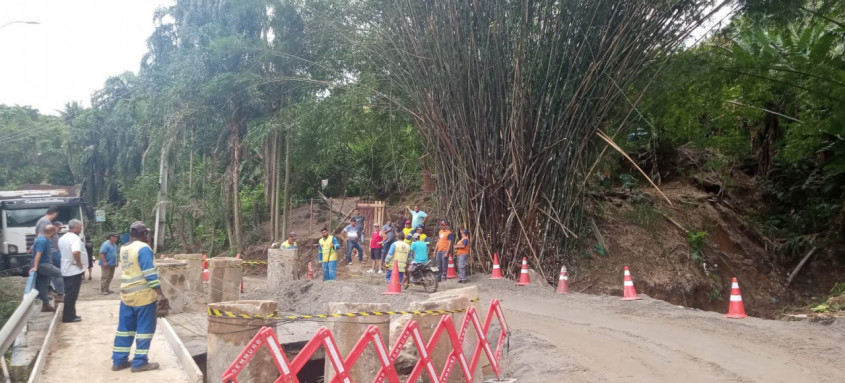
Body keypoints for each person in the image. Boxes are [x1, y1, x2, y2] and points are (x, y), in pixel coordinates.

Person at [112, 221, 169, 372]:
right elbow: (149, 273)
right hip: (143, 296)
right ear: (144, 234)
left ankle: (119, 361)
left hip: (127, 295)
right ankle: (139, 362)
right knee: (145, 329)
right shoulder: (143, 248)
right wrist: (160, 294)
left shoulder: (124, 248)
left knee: (125, 329)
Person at [59, 219, 88, 323]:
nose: (81, 229)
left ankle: (71, 314)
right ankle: (68, 316)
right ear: (76, 227)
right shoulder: (75, 239)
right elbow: (76, 252)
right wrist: (79, 263)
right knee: (72, 294)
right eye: (80, 226)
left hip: (65, 268)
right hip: (73, 270)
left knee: (68, 293)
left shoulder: (63, 238)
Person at [30, 225, 63, 312]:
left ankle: (45, 305)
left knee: (43, 285)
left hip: (43, 264)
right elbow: (38, 254)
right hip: (43, 264)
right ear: (52, 232)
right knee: (60, 273)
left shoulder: (43, 238)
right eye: (55, 231)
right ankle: (60, 295)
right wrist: (35, 267)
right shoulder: (43, 240)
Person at [48, 220, 64, 302]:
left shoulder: (53, 233)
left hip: (52, 255)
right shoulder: (53, 232)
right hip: (55, 254)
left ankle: (57, 291)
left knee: (54, 274)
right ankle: (60, 292)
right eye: (60, 227)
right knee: (59, 273)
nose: (61, 229)